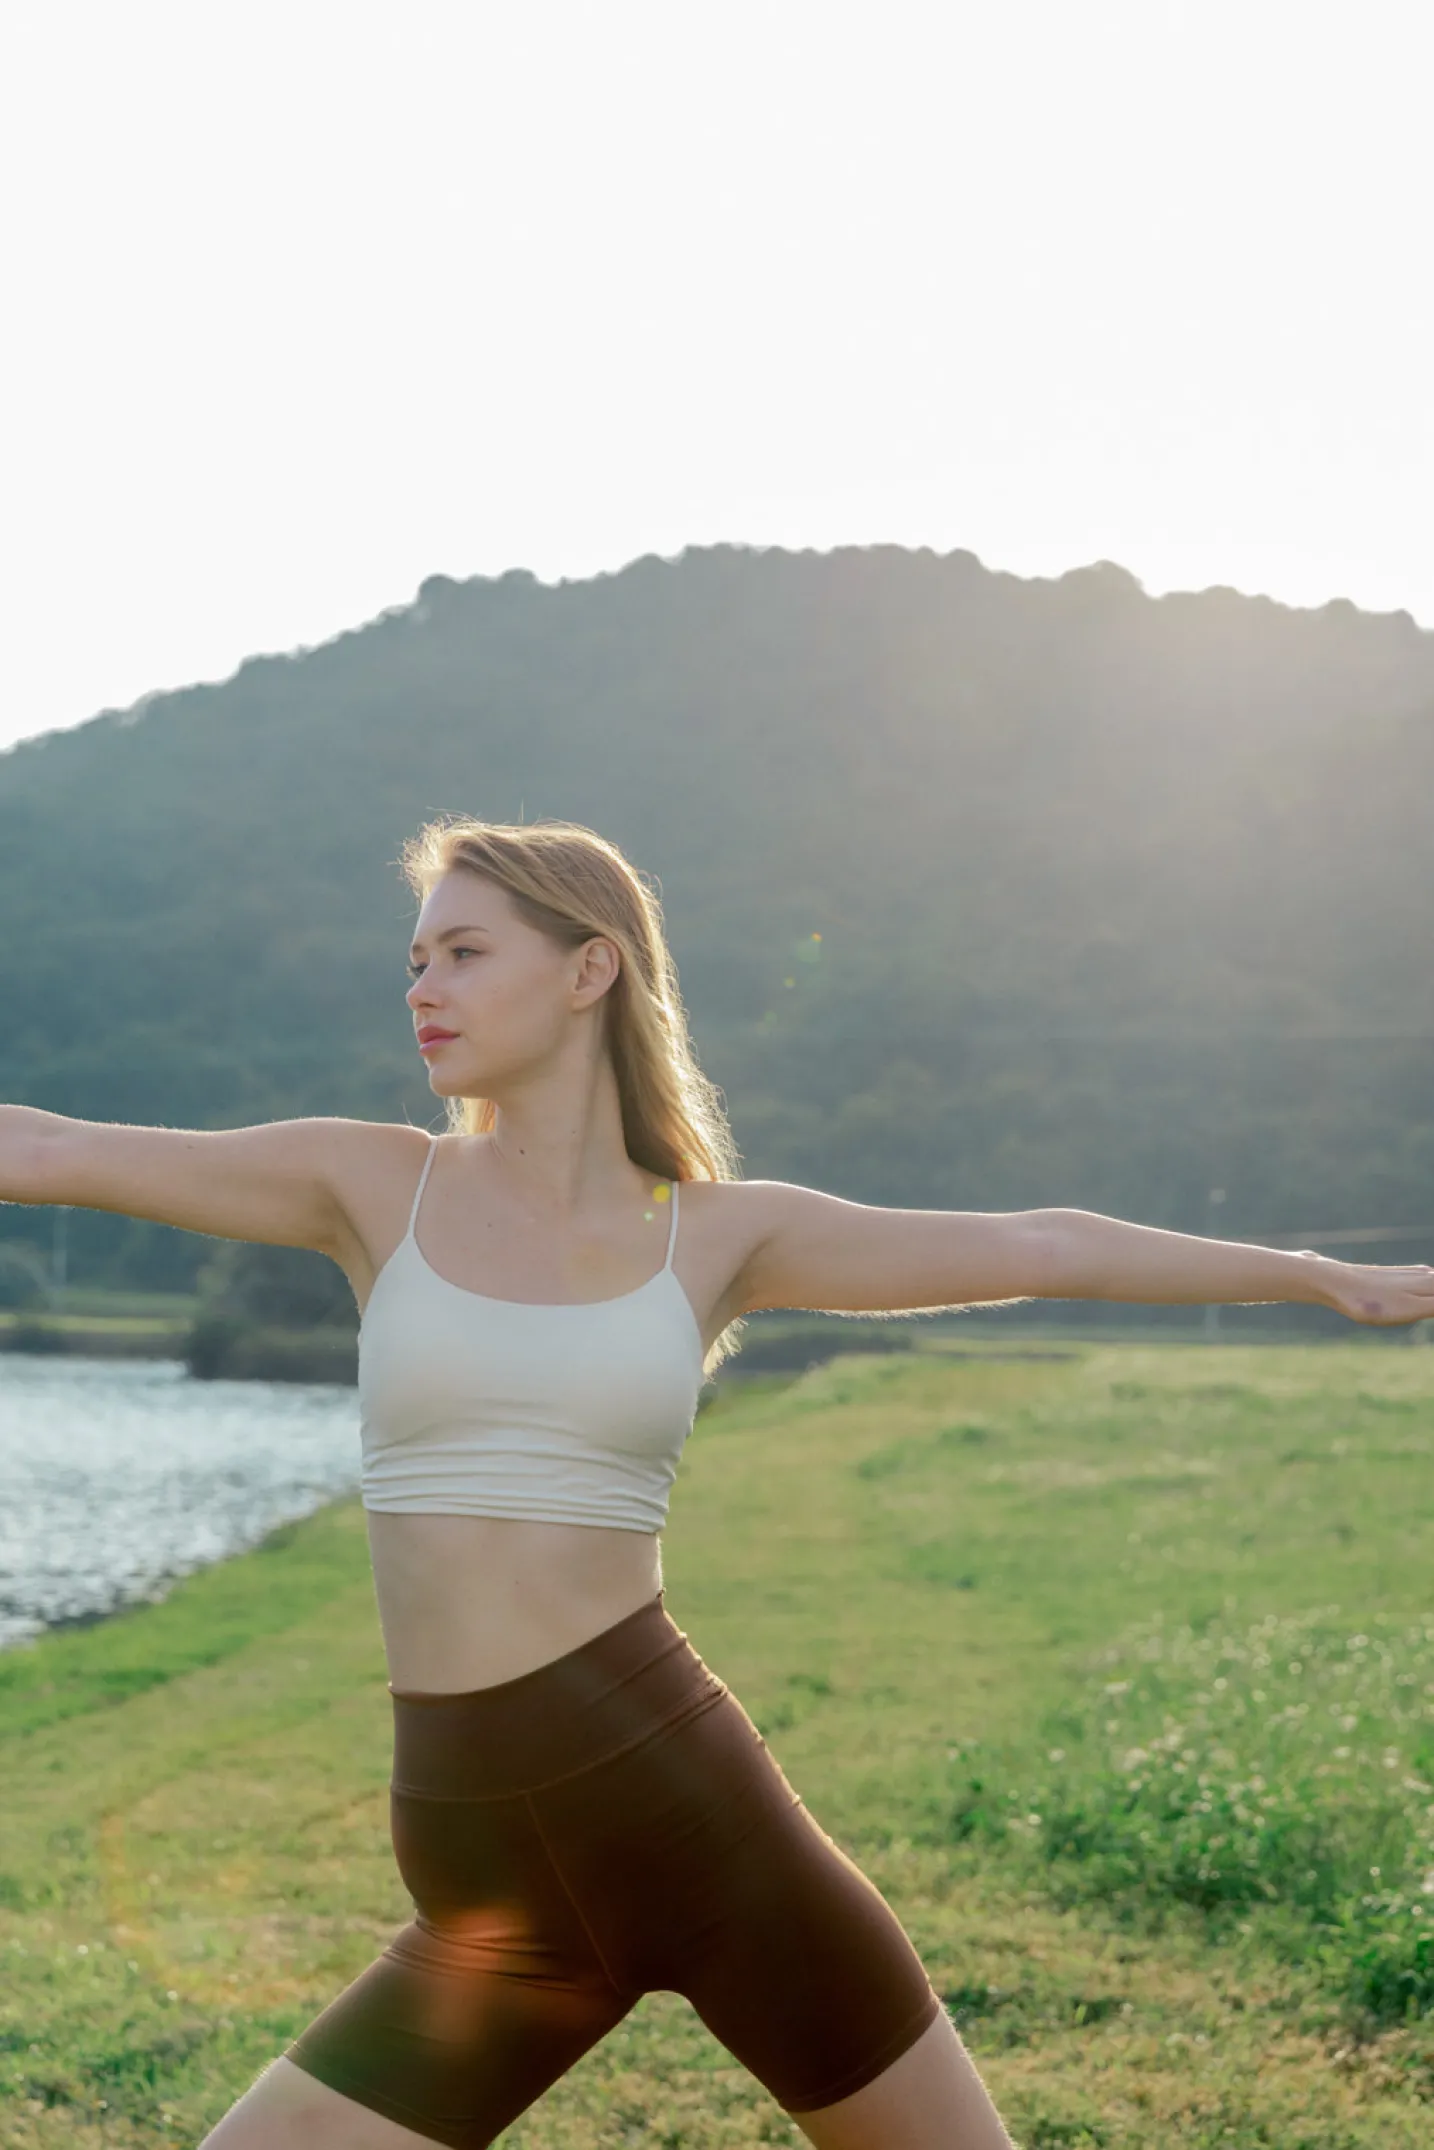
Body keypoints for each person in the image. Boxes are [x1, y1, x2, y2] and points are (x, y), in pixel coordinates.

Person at [6, 818, 1431, 2150]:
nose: (422, 986)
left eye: (463, 950)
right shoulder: (370, 1184)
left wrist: (1312, 1274)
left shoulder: (720, 1236)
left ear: (590, 967)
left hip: (688, 1814)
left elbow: (1037, 1241)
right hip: (492, 1892)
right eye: (414, 959)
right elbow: (54, 1147)